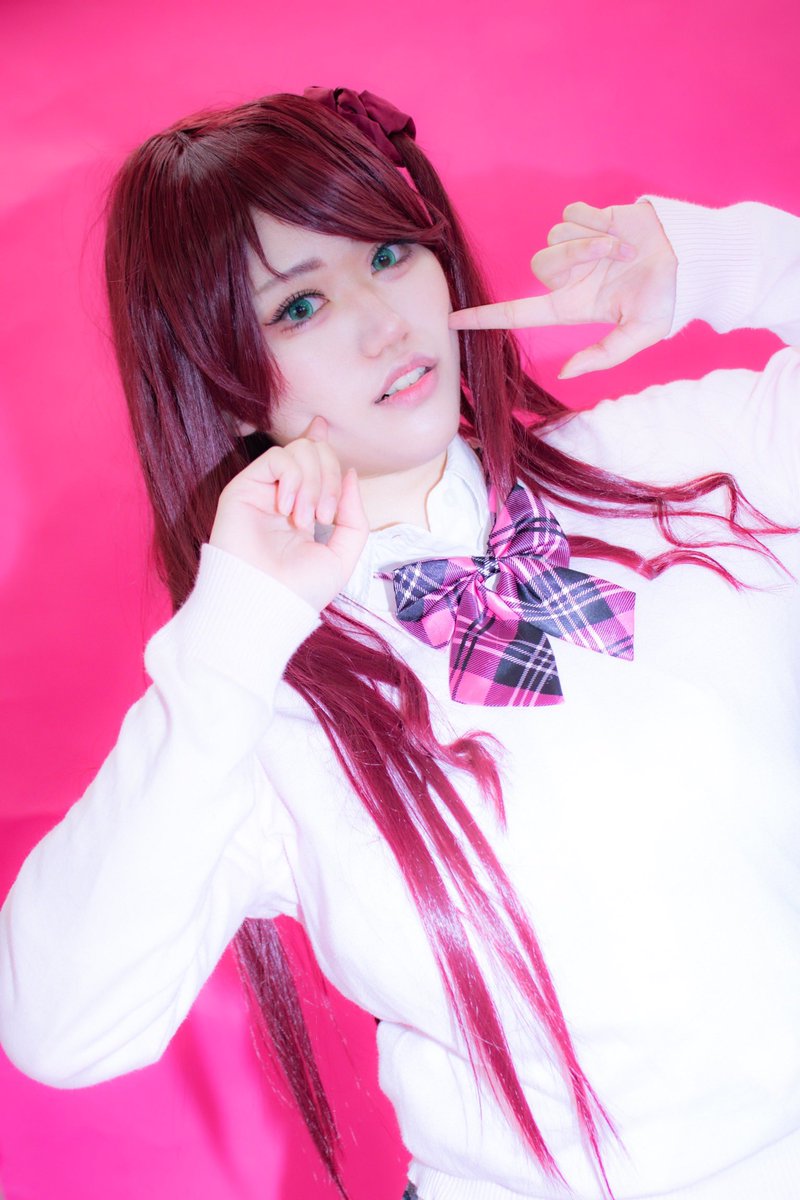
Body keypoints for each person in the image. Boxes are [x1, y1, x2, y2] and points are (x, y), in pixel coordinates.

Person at [1, 86, 799, 1200]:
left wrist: (737, 265)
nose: (384, 323)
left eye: (386, 253)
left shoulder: (682, 462)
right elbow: (59, 1025)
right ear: (220, 376)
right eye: (299, 306)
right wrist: (230, 641)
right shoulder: (253, 697)